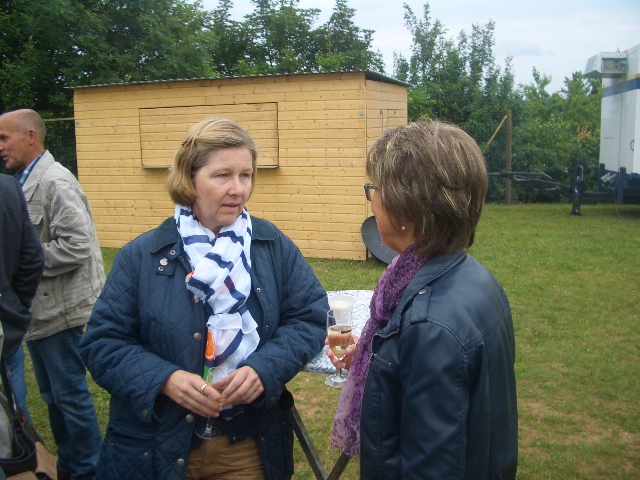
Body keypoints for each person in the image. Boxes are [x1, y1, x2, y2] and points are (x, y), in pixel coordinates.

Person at [79, 117, 328, 480]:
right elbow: (102, 344)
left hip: (246, 448)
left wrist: (265, 369)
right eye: (222, 175)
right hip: (156, 449)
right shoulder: (142, 256)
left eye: (246, 175)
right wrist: (165, 379)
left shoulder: (272, 246)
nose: (238, 189)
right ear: (189, 178)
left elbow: (309, 318)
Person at [327, 119, 518, 479]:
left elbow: (432, 465)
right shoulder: (470, 276)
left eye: (375, 189)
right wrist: (378, 360)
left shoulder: (430, 323)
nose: (372, 201)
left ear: (406, 208)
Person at [0, 109, 104, 480]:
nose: (0, 147)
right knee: (53, 398)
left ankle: (88, 470)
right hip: (39, 313)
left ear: (30, 136)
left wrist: (19, 258)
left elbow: (77, 246)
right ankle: (70, 467)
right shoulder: (23, 181)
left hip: (62, 312)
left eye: (4, 138)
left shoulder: (54, 181)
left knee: (70, 398)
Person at [0, 173, 44, 457]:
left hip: (6, 333)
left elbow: (32, 259)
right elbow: (32, 259)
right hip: (5, 331)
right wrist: (13, 307)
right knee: (11, 420)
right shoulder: (7, 187)